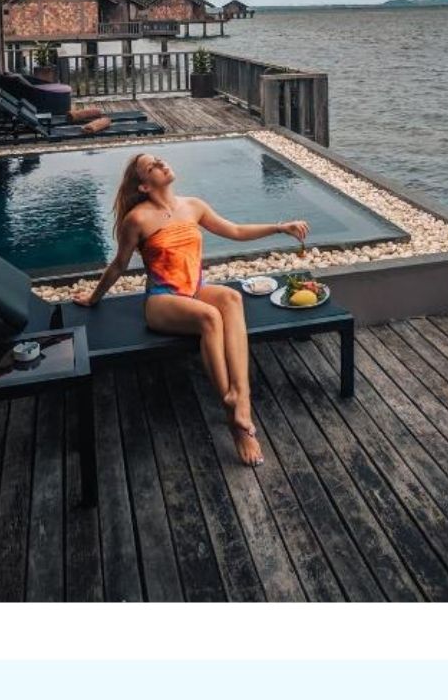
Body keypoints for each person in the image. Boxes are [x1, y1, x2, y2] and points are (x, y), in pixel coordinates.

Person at [74, 151, 309, 466]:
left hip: (195, 290)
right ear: (143, 186)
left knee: (231, 298)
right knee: (210, 317)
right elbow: (118, 265)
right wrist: (93, 298)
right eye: (151, 166)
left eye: (159, 159)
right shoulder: (138, 219)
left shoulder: (193, 206)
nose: (160, 163)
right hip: (162, 300)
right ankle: (235, 421)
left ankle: (241, 397)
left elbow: (236, 232)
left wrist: (281, 227)